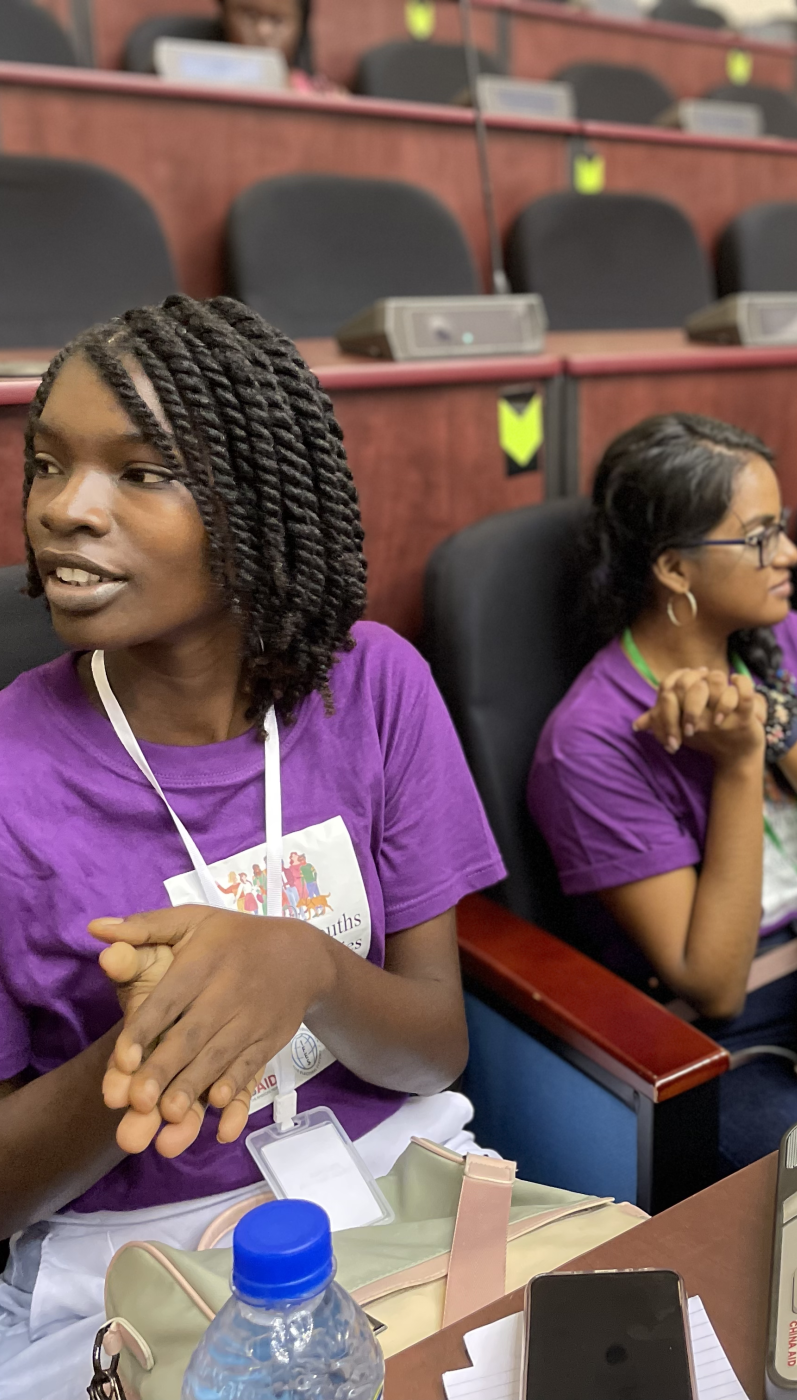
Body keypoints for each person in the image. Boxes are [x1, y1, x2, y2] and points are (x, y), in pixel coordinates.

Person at [0, 295, 504, 1395]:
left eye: (140, 471)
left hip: (384, 1187)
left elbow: (434, 1047)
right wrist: (146, 1053)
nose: (64, 510)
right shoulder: (6, 775)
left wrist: (309, 969)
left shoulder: (374, 684)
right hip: (126, 1262)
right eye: (47, 464)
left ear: (257, 503)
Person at [528, 414, 797, 1172]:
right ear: (675, 569)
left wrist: (778, 728)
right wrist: (738, 767)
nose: (791, 553)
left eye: (785, 527)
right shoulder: (590, 741)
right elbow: (713, 986)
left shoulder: (789, 642)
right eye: (762, 537)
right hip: (743, 1037)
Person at [217, 0, 341, 95]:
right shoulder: (201, 81)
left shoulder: (317, 95)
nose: (263, 31)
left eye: (277, 20)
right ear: (224, 14)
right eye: (250, 15)